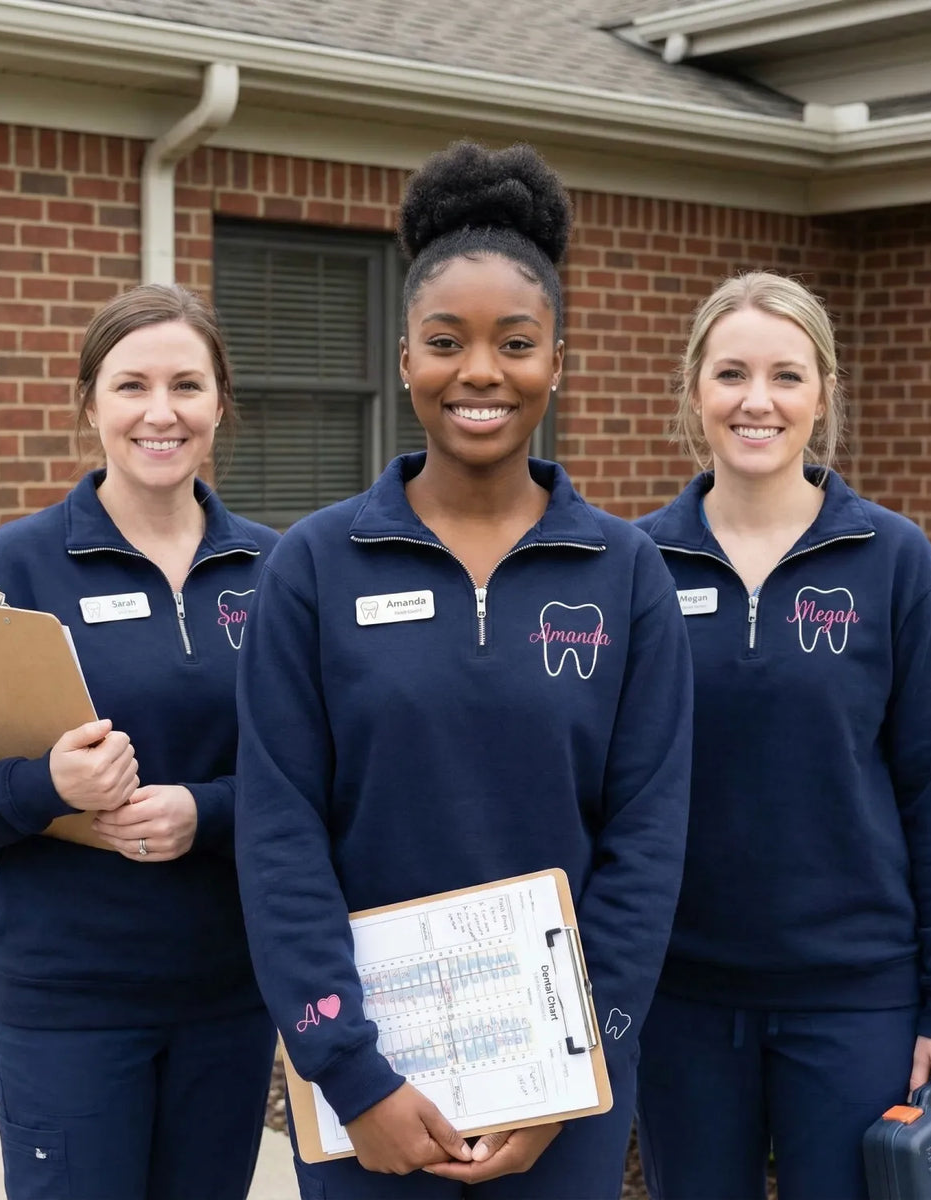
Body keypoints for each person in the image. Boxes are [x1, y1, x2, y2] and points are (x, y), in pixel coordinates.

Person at [234, 140, 693, 1199]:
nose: (479, 371)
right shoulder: (312, 567)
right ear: (405, 359)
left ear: (557, 362)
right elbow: (280, 833)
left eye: (515, 343)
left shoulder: (626, 577)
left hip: (559, 1097)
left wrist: (578, 1066)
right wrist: (350, 1074)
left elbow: (646, 841)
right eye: (446, 341)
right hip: (370, 1099)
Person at [0, 284, 279, 1200]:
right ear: (89, 405)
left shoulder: (277, 569)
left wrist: (206, 810)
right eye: (130, 385)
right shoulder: (15, 567)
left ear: (220, 401)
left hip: (229, 998)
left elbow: (324, 774)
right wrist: (46, 784)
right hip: (69, 1006)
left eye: (187, 385)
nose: (160, 412)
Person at [632, 271, 931, 1200]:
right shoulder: (631, 566)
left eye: (787, 376)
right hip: (681, 997)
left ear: (824, 394)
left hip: (856, 1000)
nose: (758, 401)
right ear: (694, 392)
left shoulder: (895, 562)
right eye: (732, 375)